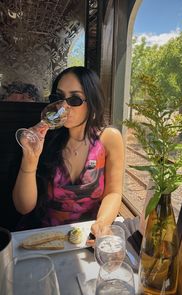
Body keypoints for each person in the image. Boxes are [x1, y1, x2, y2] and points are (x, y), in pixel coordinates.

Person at [12, 66, 124, 244]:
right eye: (58, 98)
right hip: (45, 237)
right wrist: (30, 159)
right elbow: (23, 207)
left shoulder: (109, 138)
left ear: (93, 102)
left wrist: (102, 223)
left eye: (74, 99)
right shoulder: (45, 138)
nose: (63, 107)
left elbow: (114, 192)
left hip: (87, 237)